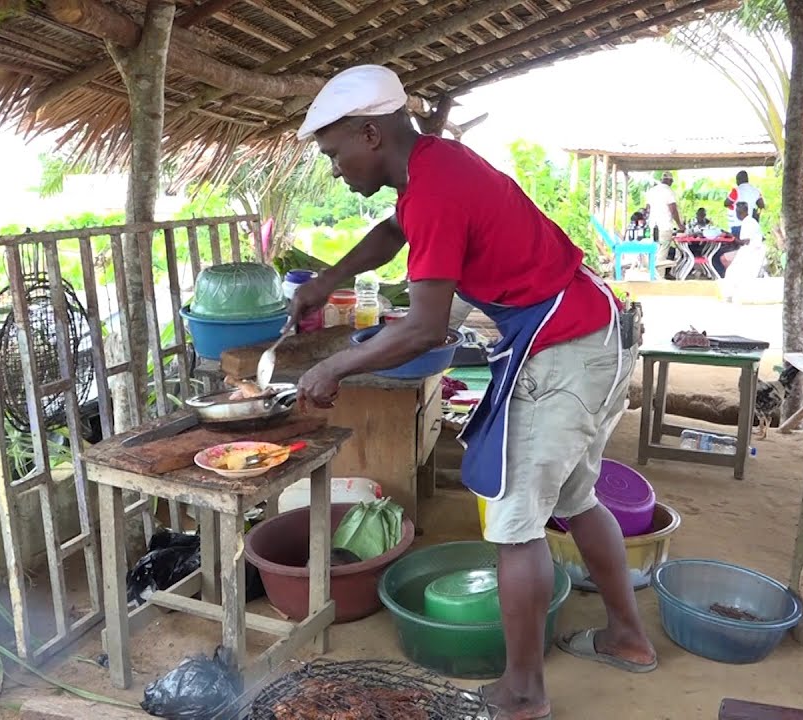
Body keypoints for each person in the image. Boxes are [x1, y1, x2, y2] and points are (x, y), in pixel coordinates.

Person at [288, 65, 655, 720]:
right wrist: (330, 277)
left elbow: (427, 328)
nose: (335, 169)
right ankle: (626, 637)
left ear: (370, 134)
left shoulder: (433, 188)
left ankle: (522, 694)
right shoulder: (432, 166)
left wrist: (334, 370)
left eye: (335, 152)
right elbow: (395, 230)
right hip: (593, 333)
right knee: (575, 495)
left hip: (566, 347)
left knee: (515, 526)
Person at [720, 201, 766, 302]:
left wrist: (731, 236)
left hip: (751, 252)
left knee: (732, 271)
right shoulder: (750, 221)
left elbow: (744, 242)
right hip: (750, 251)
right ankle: (731, 294)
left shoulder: (748, 223)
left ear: (741, 212)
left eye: (737, 212)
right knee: (732, 269)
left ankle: (730, 295)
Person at [645, 172, 682, 278]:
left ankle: (651, 275)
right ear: (670, 181)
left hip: (652, 226)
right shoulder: (669, 191)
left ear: (662, 180)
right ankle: (659, 277)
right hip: (664, 226)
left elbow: (647, 208)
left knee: (653, 251)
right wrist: (679, 224)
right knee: (662, 252)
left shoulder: (652, 191)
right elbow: (673, 210)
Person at [724, 170, 765, 235]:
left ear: (738, 180)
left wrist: (732, 206)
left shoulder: (736, 191)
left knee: (737, 244)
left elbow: (726, 203)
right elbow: (762, 205)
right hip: (750, 224)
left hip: (737, 224)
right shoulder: (756, 191)